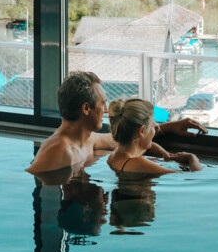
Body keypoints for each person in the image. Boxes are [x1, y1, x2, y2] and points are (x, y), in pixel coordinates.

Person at [26, 71, 207, 175]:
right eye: (103, 104)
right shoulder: (58, 151)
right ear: (86, 108)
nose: (106, 110)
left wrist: (169, 127)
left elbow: (125, 136)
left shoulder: (87, 139)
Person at [106, 97, 202, 176]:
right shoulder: (138, 163)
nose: (156, 128)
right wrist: (192, 158)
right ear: (142, 131)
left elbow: (147, 147)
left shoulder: (115, 155)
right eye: (152, 124)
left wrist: (166, 155)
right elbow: (193, 178)